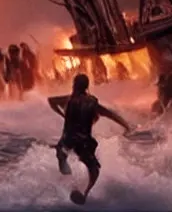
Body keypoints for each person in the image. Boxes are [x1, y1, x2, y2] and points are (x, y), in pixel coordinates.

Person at [48, 74, 132, 204]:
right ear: (87, 87)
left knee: (62, 156)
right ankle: (85, 193)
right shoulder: (91, 102)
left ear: (74, 85)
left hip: (68, 139)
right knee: (93, 169)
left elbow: (51, 101)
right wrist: (126, 126)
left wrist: (62, 115)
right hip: (84, 141)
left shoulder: (69, 99)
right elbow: (110, 114)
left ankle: (72, 185)